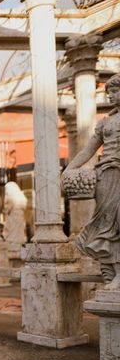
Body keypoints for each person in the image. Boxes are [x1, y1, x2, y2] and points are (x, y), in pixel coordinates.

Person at [63, 73, 120, 289]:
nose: (111, 96)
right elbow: (88, 149)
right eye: (109, 92)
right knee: (104, 224)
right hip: (106, 175)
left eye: (116, 91)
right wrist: (69, 169)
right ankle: (112, 273)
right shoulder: (106, 122)